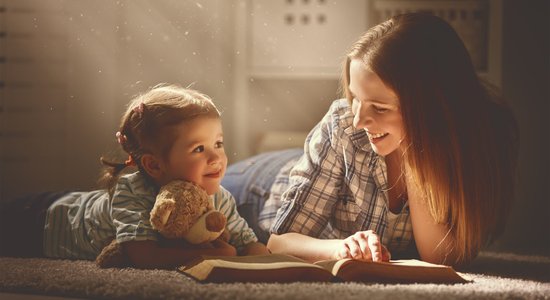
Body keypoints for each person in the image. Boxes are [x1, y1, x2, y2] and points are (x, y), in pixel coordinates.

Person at [222, 13, 518, 267]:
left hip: (309, 163)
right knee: (197, 203)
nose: (360, 120)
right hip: (256, 188)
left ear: (432, 109)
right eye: (356, 98)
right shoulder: (344, 126)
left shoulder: (477, 140)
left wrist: (416, 149)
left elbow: (441, 259)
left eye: (380, 107)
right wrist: (340, 249)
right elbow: (280, 242)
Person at [0, 84, 268, 268]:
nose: (216, 158)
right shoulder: (133, 190)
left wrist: (269, 259)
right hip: (45, 221)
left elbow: (247, 243)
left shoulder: (220, 198)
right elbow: (142, 255)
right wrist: (214, 255)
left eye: (218, 144)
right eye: (199, 149)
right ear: (154, 166)